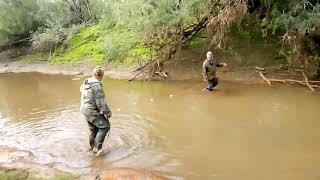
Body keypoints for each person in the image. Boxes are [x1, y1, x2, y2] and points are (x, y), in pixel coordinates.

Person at [80, 66, 112, 156]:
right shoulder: (97, 85)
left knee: (93, 130)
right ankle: (97, 150)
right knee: (105, 126)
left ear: (93, 74)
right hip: (91, 111)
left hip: (84, 110)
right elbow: (100, 103)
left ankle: (92, 147)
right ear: (101, 76)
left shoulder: (86, 82)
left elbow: (82, 91)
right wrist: (108, 113)